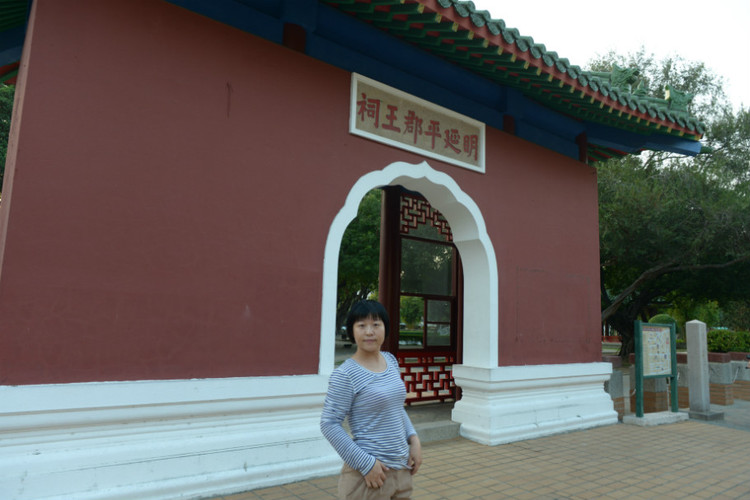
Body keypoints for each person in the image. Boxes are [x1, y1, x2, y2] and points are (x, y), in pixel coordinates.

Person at [321, 300, 422, 500]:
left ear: (385, 328)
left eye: (376, 324)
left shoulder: (391, 361)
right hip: (369, 476)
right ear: (352, 331)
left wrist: (414, 439)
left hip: (401, 470)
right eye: (361, 325)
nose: (369, 332)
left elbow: (396, 408)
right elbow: (329, 424)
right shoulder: (345, 374)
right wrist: (366, 464)